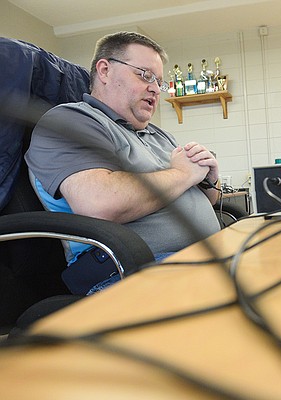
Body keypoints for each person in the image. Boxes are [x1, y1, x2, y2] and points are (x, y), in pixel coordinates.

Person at [25, 31, 222, 293]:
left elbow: (200, 200)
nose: (154, 88)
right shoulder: (69, 122)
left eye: (159, 82)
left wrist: (208, 180)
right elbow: (99, 204)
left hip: (199, 254)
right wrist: (183, 173)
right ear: (105, 70)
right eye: (144, 75)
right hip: (126, 270)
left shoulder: (158, 134)